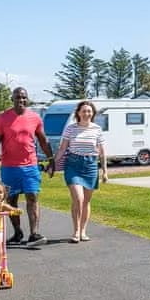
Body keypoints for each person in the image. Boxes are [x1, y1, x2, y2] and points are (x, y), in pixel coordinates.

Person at [0, 87, 55, 247]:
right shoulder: (2, 118)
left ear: (28, 99)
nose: (21, 100)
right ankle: (17, 232)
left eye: (24, 97)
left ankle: (34, 234)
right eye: (18, 97)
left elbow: (43, 140)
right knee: (11, 200)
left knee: (32, 197)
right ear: (12, 99)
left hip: (30, 166)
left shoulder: (35, 118)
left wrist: (51, 159)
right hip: (9, 167)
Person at [51, 100, 108, 243]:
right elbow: (63, 148)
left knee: (86, 201)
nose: (86, 113)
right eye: (84, 111)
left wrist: (105, 172)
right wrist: (53, 163)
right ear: (78, 113)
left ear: (93, 113)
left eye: (89, 111)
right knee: (78, 199)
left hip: (90, 166)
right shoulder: (71, 128)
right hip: (73, 165)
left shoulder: (97, 129)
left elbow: (102, 152)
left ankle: (83, 231)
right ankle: (75, 231)